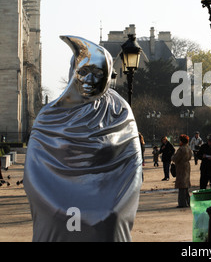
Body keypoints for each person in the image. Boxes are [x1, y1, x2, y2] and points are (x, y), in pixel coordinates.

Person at [23, 35, 142, 242]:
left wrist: (112, 210)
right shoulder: (49, 115)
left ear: (107, 76)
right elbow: (34, 172)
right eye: (83, 72)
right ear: (73, 73)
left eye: (97, 73)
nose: (89, 80)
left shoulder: (119, 111)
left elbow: (132, 167)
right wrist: (57, 210)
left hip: (107, 208)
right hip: (56, 207)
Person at [172, 134, 193, 208]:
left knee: (181, 185)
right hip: (187, 165)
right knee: (186, 185)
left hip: (181, 166)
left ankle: (182, 203)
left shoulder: (181, 149)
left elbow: (176, 158)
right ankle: (188, 201)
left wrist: (173, 157)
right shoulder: (188, 148)